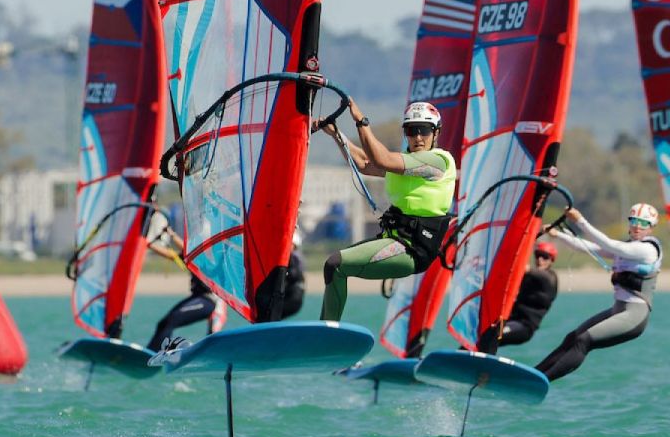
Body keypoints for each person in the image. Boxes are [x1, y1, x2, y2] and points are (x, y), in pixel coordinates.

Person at [316, 100, 456, 321]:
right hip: (393, 240)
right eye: (412, 131)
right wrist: (337, 135)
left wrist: (361, 121)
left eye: (424, 130)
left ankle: (327, 332)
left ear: (436, 132)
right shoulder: (405, 163)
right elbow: (364, 163)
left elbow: (381, 159)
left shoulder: (438, 162)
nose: (418, 137)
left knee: (336, 265)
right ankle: (327, 330)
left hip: (412, 249)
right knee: (335, 267)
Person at [535, 203, 662, 382]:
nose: (637, 226)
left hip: (634, 316)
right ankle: (534, 373)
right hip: (618, 310)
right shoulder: (629, 246)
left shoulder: (647, 250)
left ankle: (542, 380)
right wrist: (558, 234)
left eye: (643, 223)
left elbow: (609, 244)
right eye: (634, 221)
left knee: (583, 341)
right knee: (573, 337)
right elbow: (587, 247)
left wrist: (580, 221)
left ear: (651, 227)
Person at [147, 227, 306, 351]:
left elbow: (187, 248)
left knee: (209, 338)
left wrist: (170, 235)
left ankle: (268, 347)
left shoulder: (211, 255)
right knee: (165, 322)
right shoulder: (193, 255)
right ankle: (152, 354)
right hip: (200, 298)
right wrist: (150, 243)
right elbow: (176, 254)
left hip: (213, 303)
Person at [499, 241, 559, 346]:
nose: (540, 259)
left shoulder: (550, 278)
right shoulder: (528, 276)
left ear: (551, 260)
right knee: (484, 336)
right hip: (510, 320)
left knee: (495, 335)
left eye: (545, 257)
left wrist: (523, 267)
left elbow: (537, 274)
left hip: (524, 327)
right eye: (538, 255)